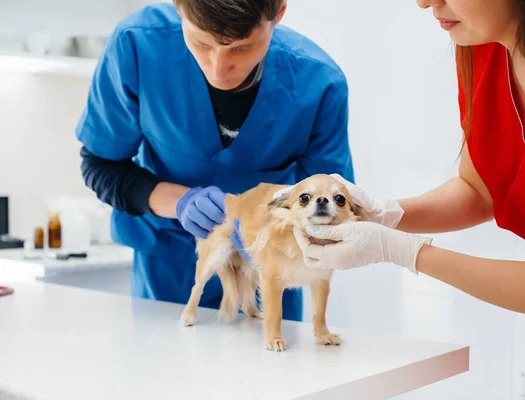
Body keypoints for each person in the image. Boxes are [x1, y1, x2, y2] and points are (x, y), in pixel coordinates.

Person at [279, 0, 525, 398]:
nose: (425, 1)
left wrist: (404, 252)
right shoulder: (484, 42)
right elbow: (479, 189)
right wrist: (383, 216)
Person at [74, 0, 354, 322]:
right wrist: (181, 202)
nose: (218, 69)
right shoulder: (138, 45)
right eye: (201, 43)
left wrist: (268, 227)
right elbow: (101, 164)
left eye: (242, 48)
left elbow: (332, 207)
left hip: (267, 275)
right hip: (167, 274)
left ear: (278, 12)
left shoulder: (318, 84)